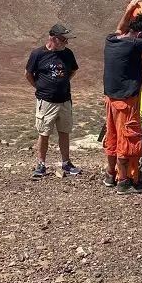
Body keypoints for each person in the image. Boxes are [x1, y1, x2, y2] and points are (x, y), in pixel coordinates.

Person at [103, 0, 142, 194]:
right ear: (139, 35)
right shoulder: (133, 44)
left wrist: (128, 10)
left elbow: (120, 28)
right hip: (126, 100)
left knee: (112, 136)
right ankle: (124, 181)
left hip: (111, 99)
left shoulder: (112, 40)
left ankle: (110, 174)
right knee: (126, 139)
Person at [25, 24, 82, 178]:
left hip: (64, 100)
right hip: (46, 101)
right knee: (44, 133)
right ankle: (41, 164)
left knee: (64, 132)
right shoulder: (38, 54)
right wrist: (39, 87)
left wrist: (62, 83)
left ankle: (66, 163)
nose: (66, 42)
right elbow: (28, 73)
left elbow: (73, 70)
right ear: (53, 38)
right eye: (64, 39)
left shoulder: (68, 54)